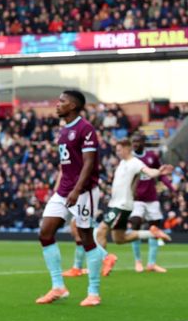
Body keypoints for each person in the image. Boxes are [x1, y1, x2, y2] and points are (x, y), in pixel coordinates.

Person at [36, 89, 106, 306]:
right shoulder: (63, 129)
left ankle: (93, 292)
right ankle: (58, 286)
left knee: (86, 238)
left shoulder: (85, 128)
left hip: (83, 191)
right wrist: (62, 188)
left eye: (62, 101)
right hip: (64, 191)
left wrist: (77, 190)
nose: (57, 104)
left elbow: (88, 162)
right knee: (45, 233)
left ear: (73, 106)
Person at [93, 139, 173, 283]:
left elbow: (149, 171)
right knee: (119, 239)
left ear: (126, 149)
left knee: (101, 231)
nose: (117, 153)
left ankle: (105, 260)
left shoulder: (136, 163)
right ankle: (151, 233)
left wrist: (159, 172)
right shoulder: (122, 163)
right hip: (116, 204)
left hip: (122, 205)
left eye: (119, 150)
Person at [129, 131, 174, 273]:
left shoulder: (151, 157)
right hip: (136, 199)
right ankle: (137, 261)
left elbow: (160, 174)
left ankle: (151, 263)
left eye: (138, 141)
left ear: (143, 142)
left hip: (152, 198)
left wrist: (171, 187)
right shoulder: (130, 159)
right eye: (133, 142)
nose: (135, 144)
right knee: (135, 224)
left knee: (154, 229)